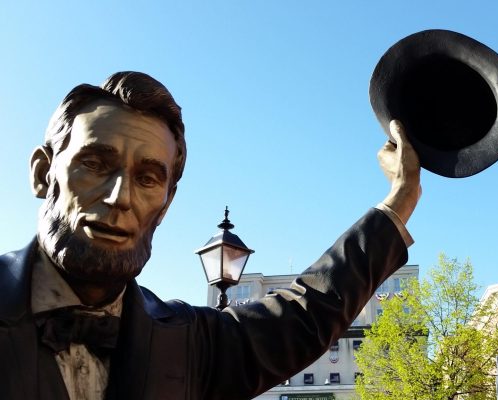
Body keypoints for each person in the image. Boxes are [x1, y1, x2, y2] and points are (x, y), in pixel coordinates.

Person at [0, 71, 421, 400]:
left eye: (147, 179)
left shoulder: (187, 340)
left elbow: (306, 314)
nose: (120, 197)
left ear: (166, 204)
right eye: (94, 164)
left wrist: (399, 199)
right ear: (43, 172)